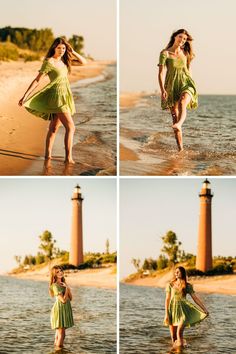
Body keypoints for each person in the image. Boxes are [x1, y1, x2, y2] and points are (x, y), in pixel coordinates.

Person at [18, 37, 87, 163]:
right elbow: (37, 80)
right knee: (71, 127)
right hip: (56, 97)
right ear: (54, 48)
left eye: (64, 48)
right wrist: (25, 96)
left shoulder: (66, 61)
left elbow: (84, 62)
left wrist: (73, 51)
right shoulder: (49, 62)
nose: (62, 50)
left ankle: (47, 155)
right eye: (59, 48)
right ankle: (68, 158)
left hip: (65, 96)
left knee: (54, 128)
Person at [158, 29, 198, 151]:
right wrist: (162, 90)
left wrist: (192, 84)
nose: (182, 40)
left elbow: (189, 69)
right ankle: (180, 149)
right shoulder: (164, 53)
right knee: (174, 118)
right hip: (171, 86)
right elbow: (161, 73)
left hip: (186, 83)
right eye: (180, 37)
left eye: (185, 39)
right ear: (174, 37)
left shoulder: (186, 53)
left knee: (182, 103)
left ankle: (180, 124)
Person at [164, 266, 209, 348]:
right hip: (172, 311)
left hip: (183, 311)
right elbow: (167, 300)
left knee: (179, 333)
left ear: (182, 273)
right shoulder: (170, 285)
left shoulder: (187, 286)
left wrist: (204, 309)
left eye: (178, 272)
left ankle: (180, 350)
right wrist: (166, 314)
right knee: (173, 336)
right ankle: (176, 349)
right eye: (175, 272)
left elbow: (195, 298)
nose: (176, 273)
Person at [49, 265, 74, 349]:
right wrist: (66, 289)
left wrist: (67, 288)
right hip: (59, 310)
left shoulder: (63, 284)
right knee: (61, 334)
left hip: (64, 310)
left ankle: (56, 350)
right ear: (54, 274)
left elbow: (70, 298)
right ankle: (59, 351)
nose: (60, 273)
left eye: (61, 271)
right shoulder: (55, 285)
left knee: (59, 334)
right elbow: (63, 301)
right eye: (57, 272)